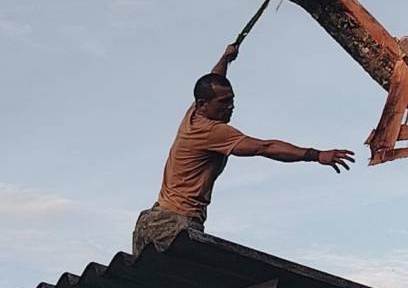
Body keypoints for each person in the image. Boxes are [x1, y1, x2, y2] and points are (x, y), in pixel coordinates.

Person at [132, 44, 355, 254]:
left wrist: (226, 58)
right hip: (174, 223)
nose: (231, 107)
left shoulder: (193, 114)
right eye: (223, 103)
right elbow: (264, 147)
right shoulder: (213, 131)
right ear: (203, 104)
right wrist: (315, 155)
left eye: (232, 100)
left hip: (153, 218)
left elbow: (216, 78)